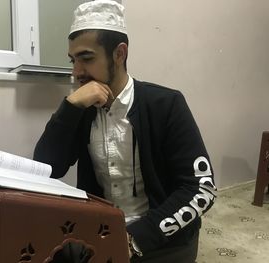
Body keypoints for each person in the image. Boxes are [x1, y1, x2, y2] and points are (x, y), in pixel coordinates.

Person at [33, 1, 216, 262]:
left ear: (119, 54)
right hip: (98, 230)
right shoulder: (82, 109)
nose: (76, 72)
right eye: (73, 61)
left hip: (162, 238)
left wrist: (132, 239)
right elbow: (45, 168)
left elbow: (201, 189)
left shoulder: (166, 104)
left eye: (86, 58)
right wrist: (70, 107)